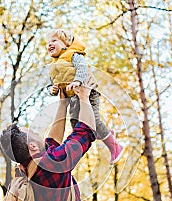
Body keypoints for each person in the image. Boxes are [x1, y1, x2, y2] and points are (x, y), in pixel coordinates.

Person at [0, 86, 96, 201]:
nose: (37, 133)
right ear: (33, 147)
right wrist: (84, 97)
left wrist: (63, 103)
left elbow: (52, 141)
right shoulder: (50, 165)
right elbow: (86, 131)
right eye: (33, 133)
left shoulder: (26, 171)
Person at [47, 28, 124, 164]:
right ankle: (105, 133)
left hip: (88, 91)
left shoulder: (74, 54)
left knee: (93, 120)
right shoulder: (55, 65)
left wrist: (78, 81)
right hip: (73, 97)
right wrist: (52, 89)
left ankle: (115, 146)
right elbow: (52, 82)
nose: (49, 44)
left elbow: (82, 68)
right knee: (76, 124)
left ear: (66, 43)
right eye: (48, 42)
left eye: (54, 41)